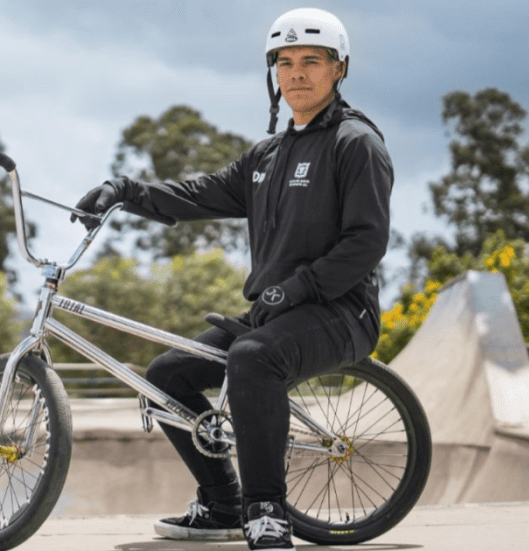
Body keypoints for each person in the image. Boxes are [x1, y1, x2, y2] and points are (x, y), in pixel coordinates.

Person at [71, 8, 393, 551]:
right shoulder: (267, 155)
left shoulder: (355, 143)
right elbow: (198, 195)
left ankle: (266, 511)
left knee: (252, 358)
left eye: (311, 61)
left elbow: (367, 242)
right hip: (272, 312)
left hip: (341, 311)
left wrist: (298, 288)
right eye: (284, 63)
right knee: (165, 376)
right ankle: (220, 501)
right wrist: (123, 191)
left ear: (338, 69)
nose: (296, 74)